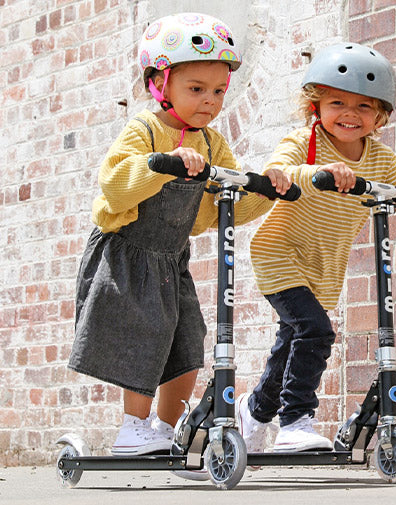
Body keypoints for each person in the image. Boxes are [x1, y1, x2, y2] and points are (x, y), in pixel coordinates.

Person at [67, 12, 291, 464]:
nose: (210, 100)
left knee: (188, 342)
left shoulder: (212, 143)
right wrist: (160, 162)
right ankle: (133, 429)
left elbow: (218, 209)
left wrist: (265, 189)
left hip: (171, 258)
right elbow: (114, 184)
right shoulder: (145, 130)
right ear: (159, 83)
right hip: (128, 251)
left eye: (219, 91)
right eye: (196, 89)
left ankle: (165, 432)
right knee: (143, 335)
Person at [237, 42, 396, 453]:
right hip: (280, 252)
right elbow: (280, 172)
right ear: (315, 105)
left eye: (364, 107)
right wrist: (320, 172)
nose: (349, 114)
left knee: (293, 341)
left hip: (324, 265)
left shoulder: (379, 158)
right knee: (316, 331)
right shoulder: (304, 141)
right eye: (337, 102)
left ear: (379, 116)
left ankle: (253, 412)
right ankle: (295, 420)